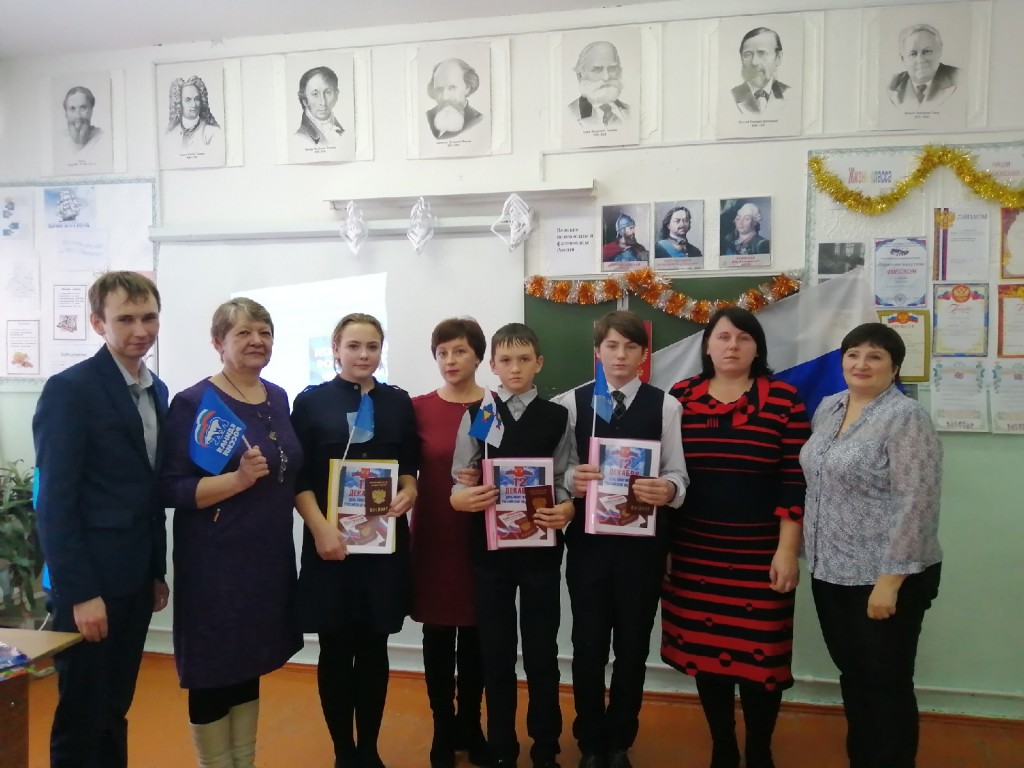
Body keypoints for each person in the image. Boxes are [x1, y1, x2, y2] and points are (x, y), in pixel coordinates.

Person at [661, 307, 810, 768]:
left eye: (743, 338)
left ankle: (759, 750)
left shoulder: (784, 399)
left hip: (760, 554)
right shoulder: (680, 397)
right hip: (694, 551)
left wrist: (788, 551)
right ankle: (723, 747)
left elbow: (795, 480)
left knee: (762, 662)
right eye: (723, 337)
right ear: (707, 345)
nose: (732, 346)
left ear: (757, 347)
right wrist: (663, 547)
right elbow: (665, 472)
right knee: (708, 657)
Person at [33, 271, 170, 768]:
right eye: (125, 319)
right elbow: (55, 502)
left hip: (135, 578)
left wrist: (156, 571)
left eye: (149, 317)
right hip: (90, 584)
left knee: (115, 706)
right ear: (98, 323)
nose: (140, 330)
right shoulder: (70, 390)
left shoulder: (157, 390)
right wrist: (79, 593)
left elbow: (148, 490)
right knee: (82, 715)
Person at [159, 298, 303, 768]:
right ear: (218, 342)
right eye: (243, 332)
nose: (256, 341)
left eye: (264, 331)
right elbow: (171, 488)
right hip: (215, 563)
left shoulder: (277, 396)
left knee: (249, 662)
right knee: (212, 670)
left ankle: (245, 761)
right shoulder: (194, 403)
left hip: (267, 557)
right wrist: (236, 481)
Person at [799, 323, 942, 768]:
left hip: (884, 576)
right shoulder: (829, 406)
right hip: (830, 569)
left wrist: (890, 581)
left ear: (894, 367)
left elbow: (917, 502)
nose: (861, 363)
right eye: (853, 354)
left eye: (875, 356)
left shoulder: (906, 417)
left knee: (886, 684)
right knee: (855, 677)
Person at [557, 311, 689, 768]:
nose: (620, 355)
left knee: (632, 647)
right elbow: (559, 471)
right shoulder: (570, 404)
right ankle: (590, 740)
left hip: (642, 549)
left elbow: (678, 474)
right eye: (611, 346)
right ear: (598, 352)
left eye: (630, 347)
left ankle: (619, 742)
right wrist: (572, 479)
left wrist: (668, 489)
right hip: (589, 547)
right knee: (588, 645)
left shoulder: (666, 406)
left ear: (643, 354)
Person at [291, 313, 419, 768]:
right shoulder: (311, 403)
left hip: (382, 549)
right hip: (330, 547)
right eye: (354, 346)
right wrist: (320, 528)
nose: (364, 355)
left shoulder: (397, 402)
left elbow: (409, 468)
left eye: (372, 347)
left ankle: (369, 750)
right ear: (335, 349)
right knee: (335, 649)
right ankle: (343, 752)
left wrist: (410, 492)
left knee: (374, 649)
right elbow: (299, 478)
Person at [450, 323, 575, 768]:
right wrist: (464, 492)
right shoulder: (482, 413)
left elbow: (565, 478)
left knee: (542, 653)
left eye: (524, 359)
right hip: (491, 553)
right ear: (493, 365)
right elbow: (460, 475)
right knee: (496, 654)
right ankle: (502, 747)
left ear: (539, 363)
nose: (515, 368)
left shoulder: (557, 416)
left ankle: (546, 748)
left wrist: (566, 506)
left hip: (541, 551)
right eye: (506, 360)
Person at [410, 318, 489, 768]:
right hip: (434, 537)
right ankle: (443, 727)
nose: (450, 360)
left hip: (480, 538)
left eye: (459, 351)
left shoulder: (494, 406)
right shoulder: (417, 408)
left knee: (477, 636)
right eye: (442, 352)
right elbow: (402, 469)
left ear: (478, 356)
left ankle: (471, 726)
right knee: (437, 635)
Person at [887, 23, 959, 107]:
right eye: (913, 54)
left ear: (939, 51)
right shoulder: (891, 85)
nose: (920, 60)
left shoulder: (959, 78)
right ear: (903, 59)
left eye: (927, 51)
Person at [569, 41, 629, 129]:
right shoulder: (570, 114)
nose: (606, 77)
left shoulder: (630, 111)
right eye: (597, 69)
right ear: (580, 75)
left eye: (612, 68)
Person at [732, 28, 788, 116]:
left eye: (762, 53)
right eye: (747, 54)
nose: (754, 62)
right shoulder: (731, 96)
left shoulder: (790, 94)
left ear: (778, 58)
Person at [426, 58, 484, 140]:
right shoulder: (427, 118)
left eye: (452, 87)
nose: (445, 97)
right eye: (439, 89)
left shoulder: (478, 121)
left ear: (467, 88)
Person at [295, 66, 345, 147]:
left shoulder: (342, 132)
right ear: (305, 100)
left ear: (336, 95)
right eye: (315, 94)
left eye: (328, 92)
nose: (323, 102)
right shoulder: (300, 137)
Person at [167, 75, 221, 148]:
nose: (194, 104)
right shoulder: (171, 135)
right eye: (188, 100)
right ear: (179, 103)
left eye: (196, 99)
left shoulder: (212, 133)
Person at [61, 86, 103, 152]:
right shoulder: (59, 140)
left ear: (91, 111)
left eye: (83, 108)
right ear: (66, 114)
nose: (78, 116)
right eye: (72, 108)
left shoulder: (102, 139)